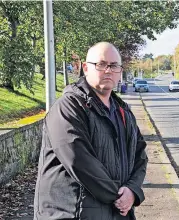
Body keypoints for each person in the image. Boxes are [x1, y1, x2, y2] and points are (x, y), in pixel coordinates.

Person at [34, 42, 148, 220]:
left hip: (115, 212)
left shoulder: (123, 111)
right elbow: (79, 161)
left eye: (114, 65)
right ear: (86, 68)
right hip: (73, 213)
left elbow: (140, 156)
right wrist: (120, 198)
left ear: (120, 70)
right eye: (101, 64)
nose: (108, 70)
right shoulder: (68, 107)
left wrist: (133, 190)